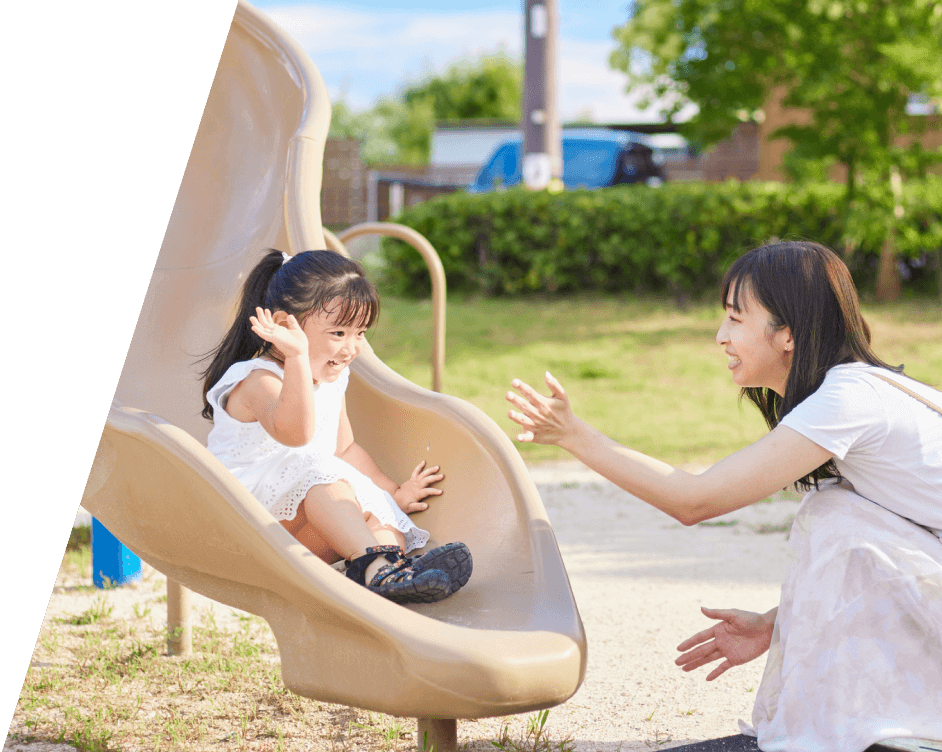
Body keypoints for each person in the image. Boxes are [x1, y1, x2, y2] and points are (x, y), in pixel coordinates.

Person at [506, 240, 941, 752]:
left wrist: (575, 435)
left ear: (788, 334)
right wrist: (778, 623)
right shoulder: (856, 393)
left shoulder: (850, 399)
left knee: (832, 516)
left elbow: (694, 500)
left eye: (736, 319)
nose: (721, 337)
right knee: (835, 512)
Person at [201, 249, 472, 605]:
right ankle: (379, 568)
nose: (351, 348)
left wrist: (393, 492)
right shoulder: (257, 381)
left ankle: (383, 572)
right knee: (317, 469)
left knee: (381, 515)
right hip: (247, 528)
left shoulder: (331, 378)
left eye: (360, 332)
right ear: (285, 327)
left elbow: (344, 450)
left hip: (298, 533)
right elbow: (297, 436)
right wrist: (297, 357)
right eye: (338, 332)